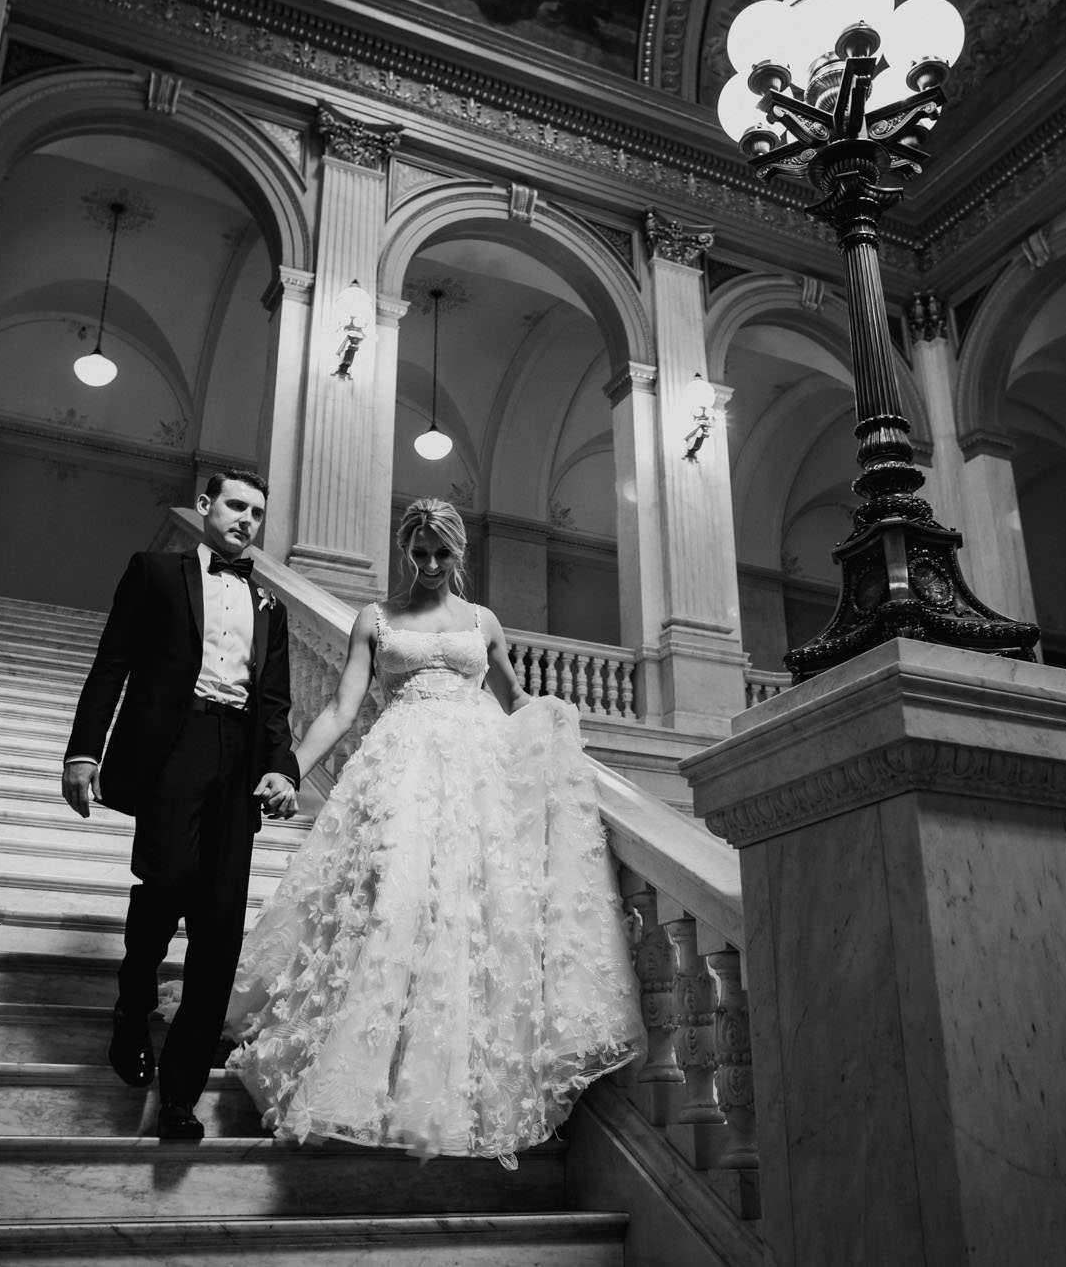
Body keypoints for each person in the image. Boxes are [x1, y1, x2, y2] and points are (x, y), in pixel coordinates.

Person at [226, 498, 643, 1167]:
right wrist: (290, 769)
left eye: (441, 553)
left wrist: (554, 719)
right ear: (405, 550)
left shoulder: (483, 621)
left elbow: (514, 700)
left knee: (465, 915)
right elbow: (341, 708)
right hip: (399, 766)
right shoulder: (375, 619)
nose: (428, 564)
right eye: (418, 552)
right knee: (388, 904)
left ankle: (444, 1081)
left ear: (459, 553)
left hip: (475, 777)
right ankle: (367, 1065)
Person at [61, 468, 300, 1141]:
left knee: (221, 930)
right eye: (235, 505)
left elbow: (275, 704)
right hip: (174, 748)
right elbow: (112, 662)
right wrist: (83, 751)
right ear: (205, 506)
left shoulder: (270, 606)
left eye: (257, 512)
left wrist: (281, 769)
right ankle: (131, 1010)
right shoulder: (155, 572)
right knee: (164, 889)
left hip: (239, 761)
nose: (246, 519)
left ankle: (180, 1095)